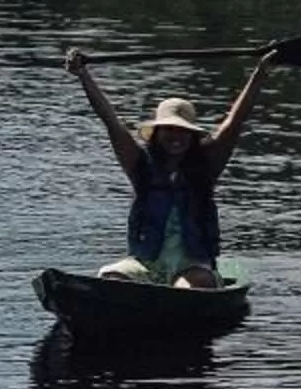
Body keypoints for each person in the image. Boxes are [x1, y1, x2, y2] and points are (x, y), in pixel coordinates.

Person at [64, 45, 275, 287]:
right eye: (169, 129)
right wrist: (84, 76)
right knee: (110, 277)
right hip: (147, 263)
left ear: (193, 137)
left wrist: (261, 73)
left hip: (193, 266)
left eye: (183, 131)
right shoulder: (140, 165)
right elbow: (111, 121)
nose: (176, 136)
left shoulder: (206, 167)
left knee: (188, 287)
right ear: (157, 133)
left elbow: (235, 122)